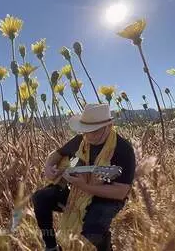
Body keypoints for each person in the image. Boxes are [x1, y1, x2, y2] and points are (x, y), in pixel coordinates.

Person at [32, 103, 136, 251]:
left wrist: (86, 187)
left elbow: (121, 192)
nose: (88, 135)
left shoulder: (123, 149)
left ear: (109, 126)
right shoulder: (81, 140)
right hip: (76, 189)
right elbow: (56, 155)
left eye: (93, 131)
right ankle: (51, 247)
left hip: (106, 196)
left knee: (93, 229)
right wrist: (49, 167)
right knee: (40, 197)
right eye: (85, 130)